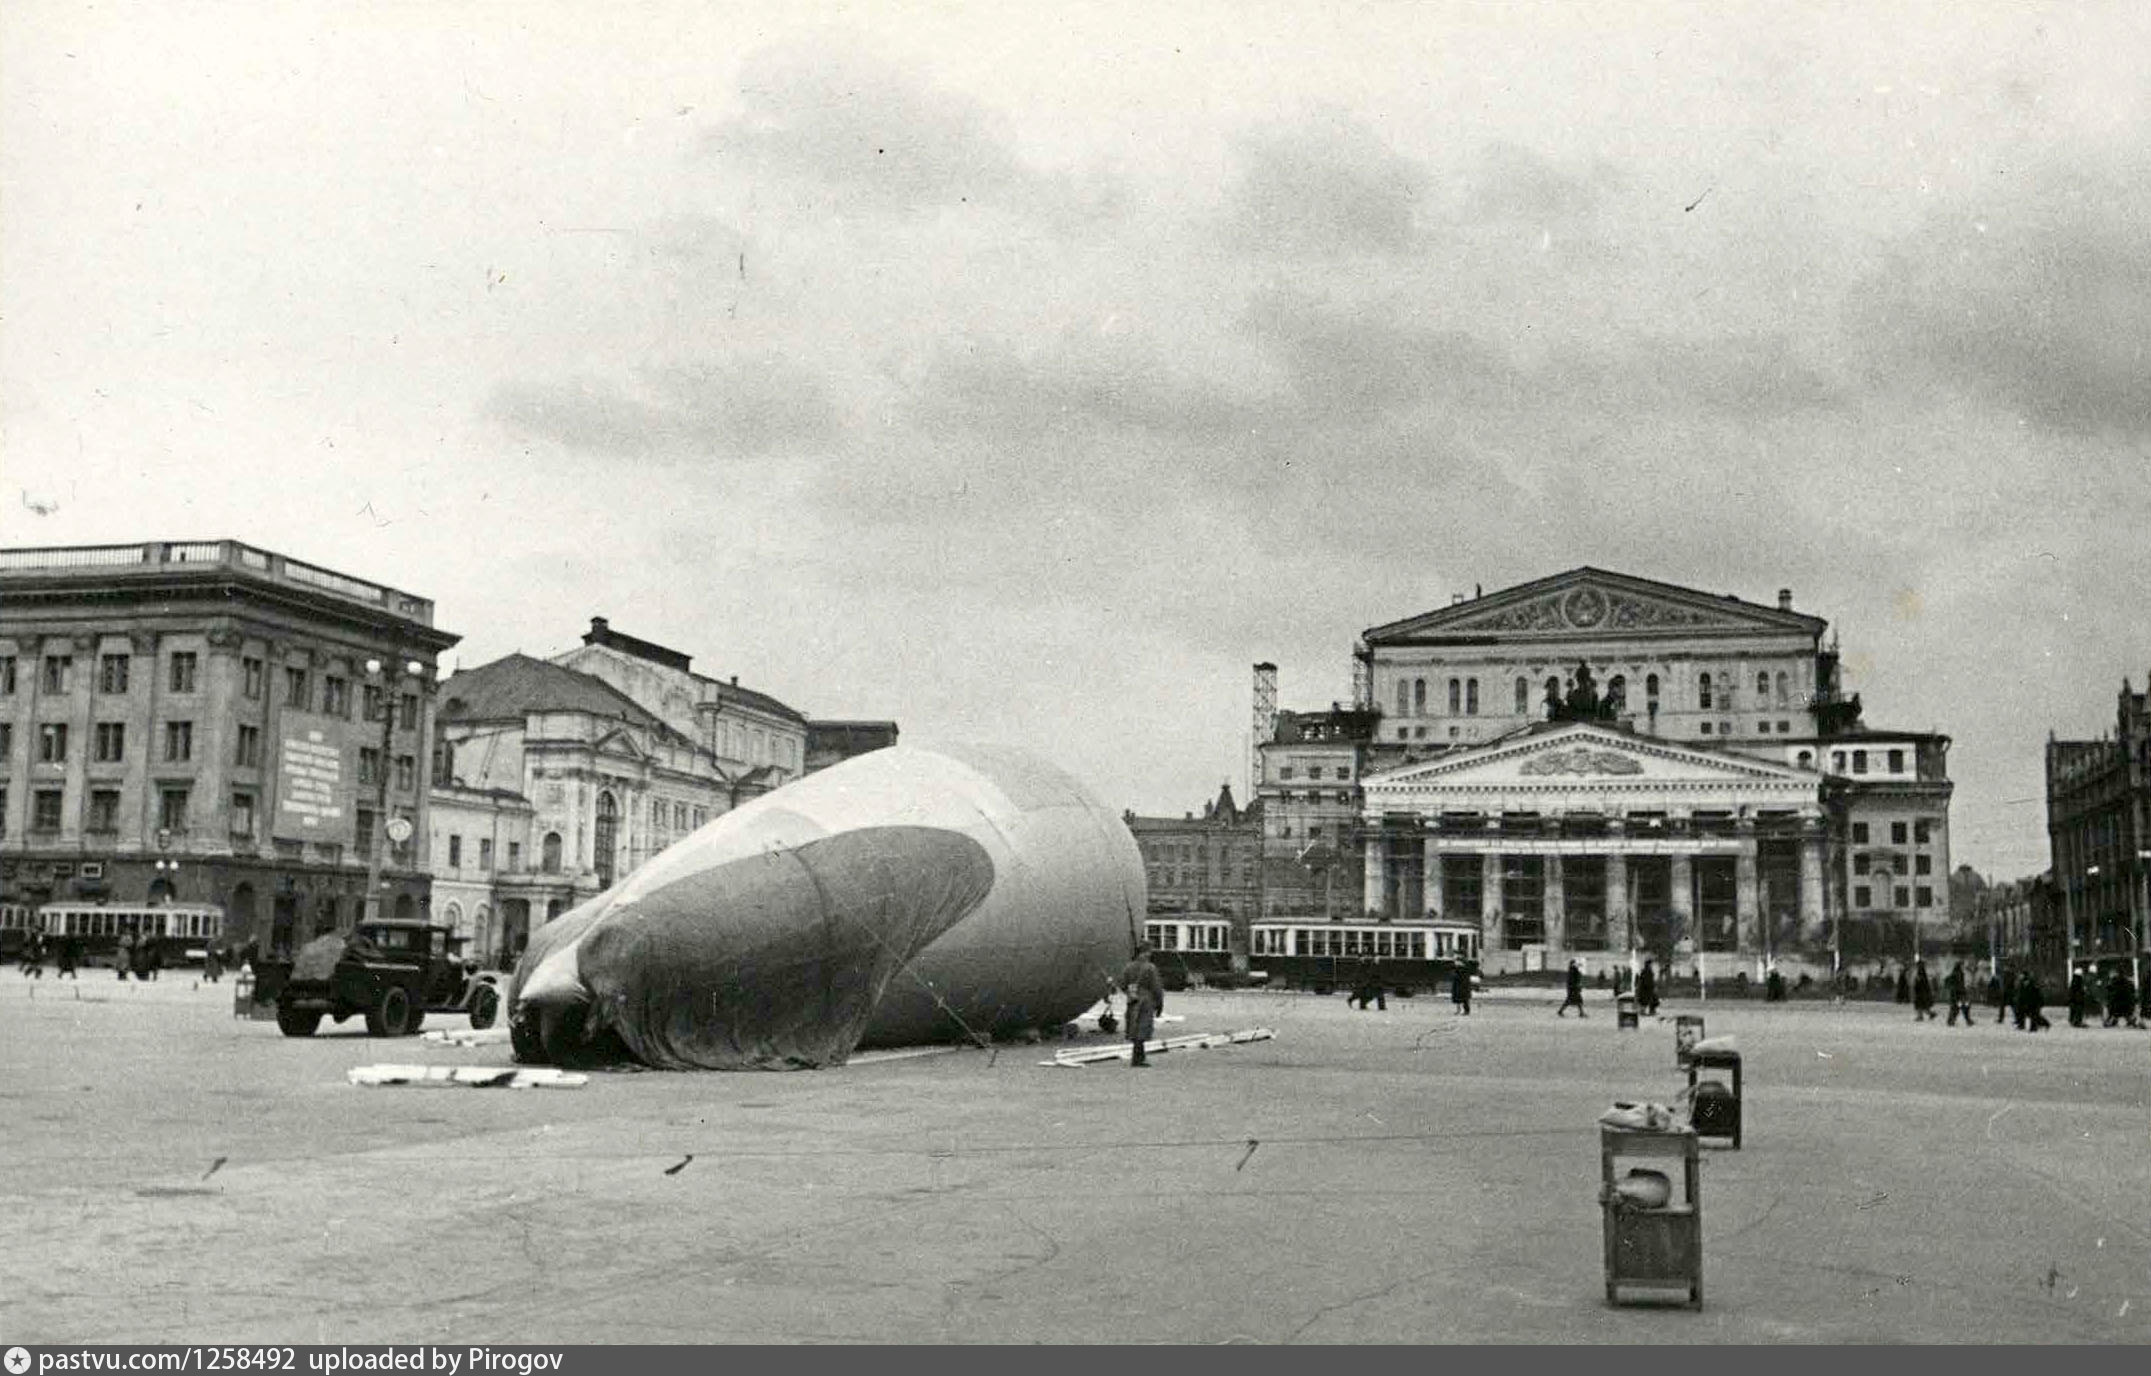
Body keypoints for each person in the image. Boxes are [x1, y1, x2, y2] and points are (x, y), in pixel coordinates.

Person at [1117, 942, 1165, 1068]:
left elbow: (1122, 983)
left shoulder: (1128, 967)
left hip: (1132, 999)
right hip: (1146, 1000)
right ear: (1146, 952)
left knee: (1133, 1026)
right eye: (1150, 951)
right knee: (1143, 1028)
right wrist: (1159, 1003)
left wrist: (1129, 992)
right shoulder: (1150, 967)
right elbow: (1156, 987)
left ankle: (1138, 1056)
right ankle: (1138, 1058)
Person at [1945, 961, 1973, 1026]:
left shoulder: (1960, 974)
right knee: (1958, 1008)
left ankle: (1966, 1020)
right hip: (1957, 994)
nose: (1963, 967)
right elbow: (1951, 983)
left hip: (1960, 993)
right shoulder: (1956, 974)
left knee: (1963, 1007)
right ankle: (1951, 1021)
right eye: (1962, 965)